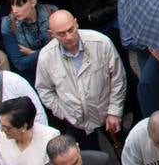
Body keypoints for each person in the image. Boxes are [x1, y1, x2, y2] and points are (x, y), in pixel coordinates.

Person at [34, 11, 127, 151]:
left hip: (106, 112)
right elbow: (43, 89)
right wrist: (62, 112)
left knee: (124, 150)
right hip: (76, 122)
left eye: (71, 30)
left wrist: (114, 111)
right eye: (61, 34)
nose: (69, 36)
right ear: (51, 34)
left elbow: (118, 78)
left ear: (76, 23)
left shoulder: (101, 43)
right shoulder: (46, 57)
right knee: (91, 160)